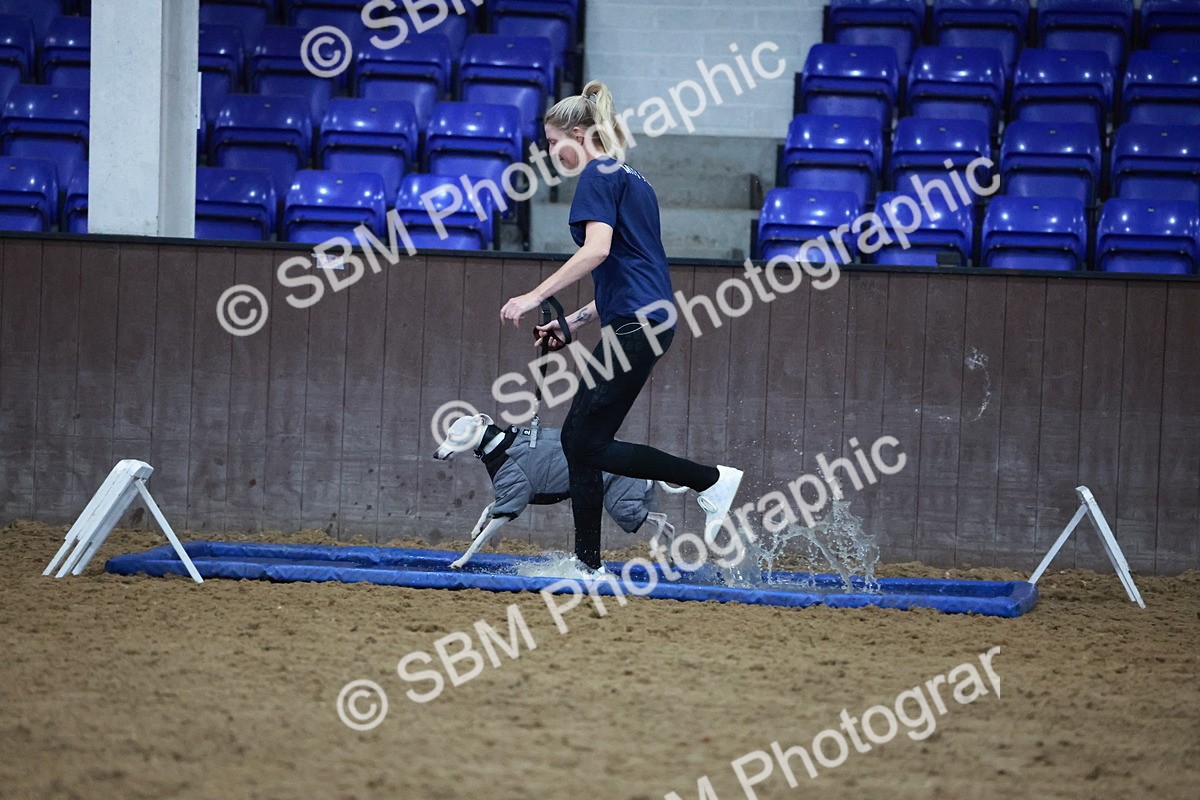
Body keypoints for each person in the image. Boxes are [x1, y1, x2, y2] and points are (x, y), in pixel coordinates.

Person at [499, 80, 743, 572]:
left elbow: (597, 252)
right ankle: (587, 564)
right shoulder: (635, 179)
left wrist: (534, 297)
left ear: (578, 131)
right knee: (580, 442)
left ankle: (709, 480)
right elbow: (627, 272)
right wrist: (571, 322)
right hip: (644, 320)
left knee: (581, 441)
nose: (551, 153)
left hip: (637, 325)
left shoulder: (596, 175)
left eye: (552, 142)